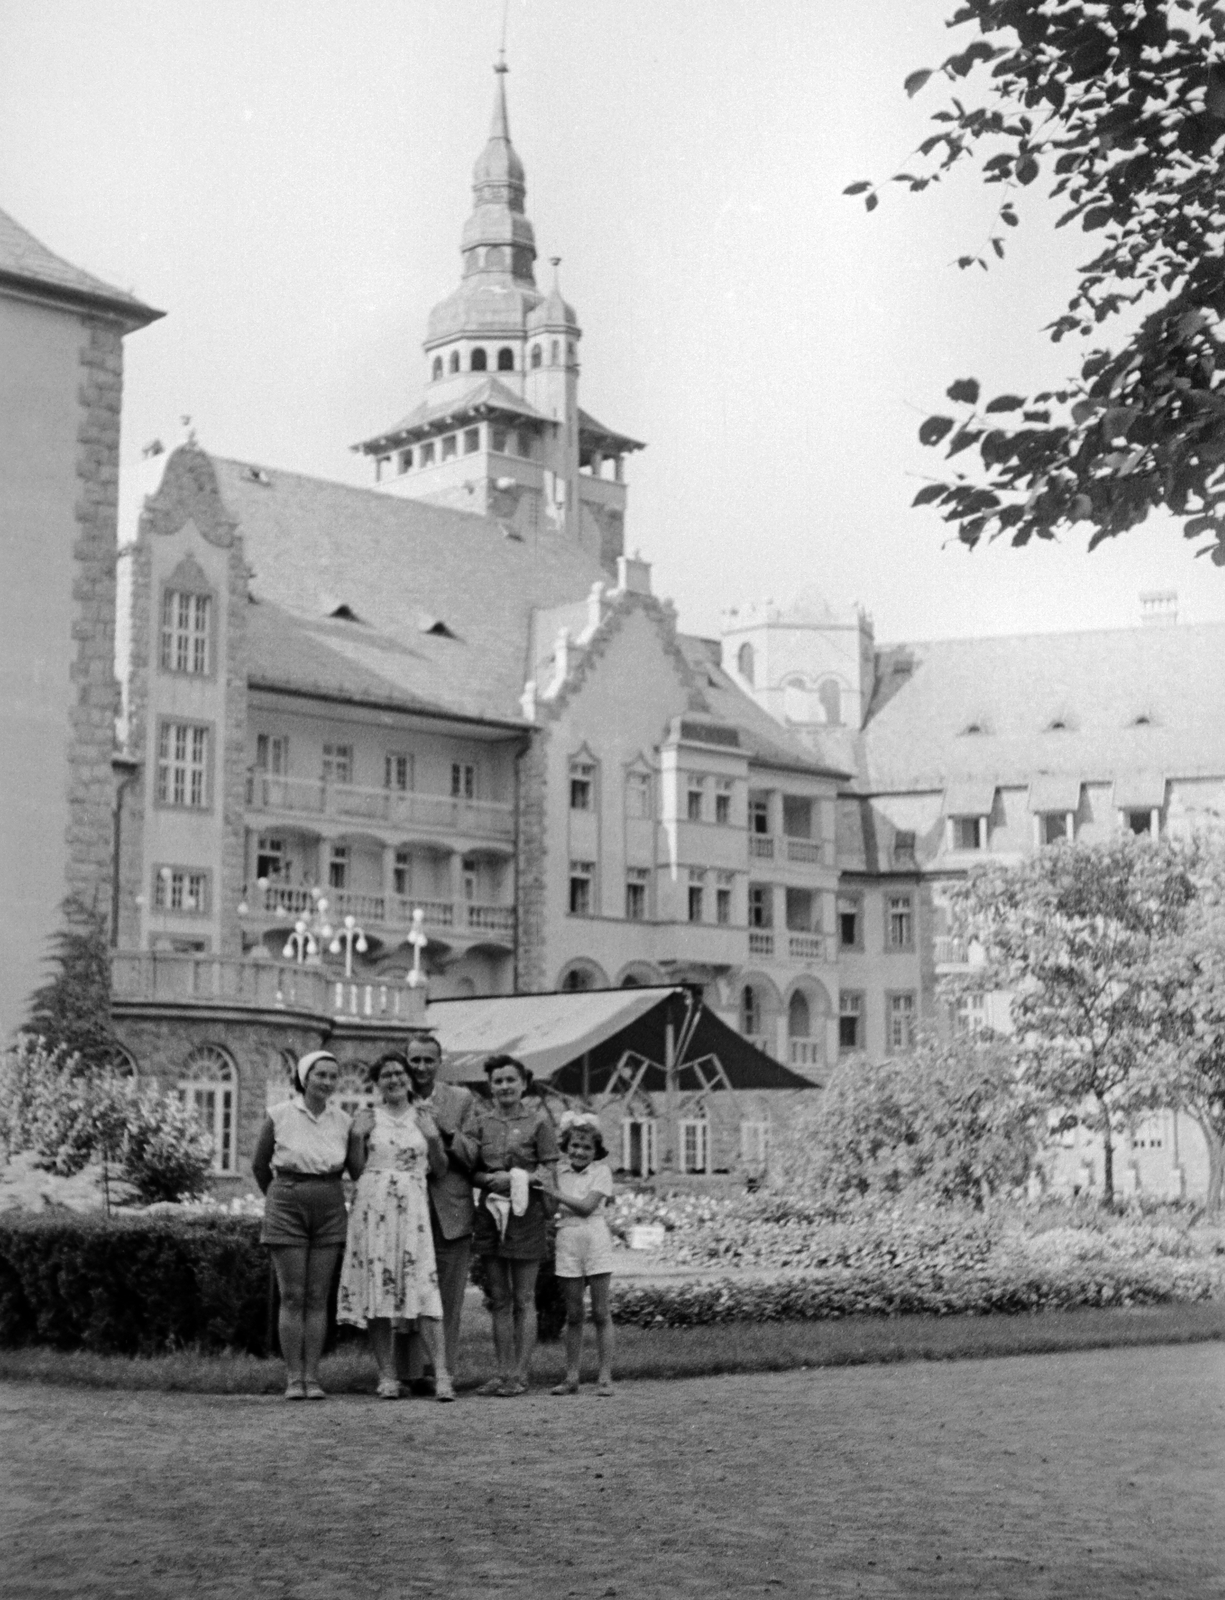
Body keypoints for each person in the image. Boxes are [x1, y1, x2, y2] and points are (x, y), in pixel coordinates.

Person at [337, 1051, 454, 1401]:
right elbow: (355, 1171)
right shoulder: (366, 1117)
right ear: (377, 1081)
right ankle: (387, 1375)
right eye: (385, 1074)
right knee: (379, 1288)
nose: (394, 1079)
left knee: (424, 1287)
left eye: (399, 1073)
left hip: (413, 1206)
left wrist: (433, 1139)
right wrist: (357, 1138)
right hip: (373, 1206)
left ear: (409, 1078)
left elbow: (442, 1169)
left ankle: (443, 1374)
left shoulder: (425, 1116)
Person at [252, 1049, 364, 1400]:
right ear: (304, 1077)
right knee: (293, 1294)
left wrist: (361, 1137)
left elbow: (356, 1170)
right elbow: (259, 1165)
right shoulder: (280, 1114)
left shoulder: (344, 1122)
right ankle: (293, 1377)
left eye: (333, 1076)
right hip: (287, 1199)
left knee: (317, 1295)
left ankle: (312, 1377)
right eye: (320, 1074)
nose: (327, 1082)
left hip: (330, 1202)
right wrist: (280, 1198)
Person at [470, 1053, 558, 1396]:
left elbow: (549, 1170)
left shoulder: (538, 1123)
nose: (505, 1086)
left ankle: (521, 1374)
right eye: (498, 1081)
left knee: (523, 1297)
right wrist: (489, 1179)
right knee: (499, 1298)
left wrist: (518, 1177)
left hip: (526, 1215)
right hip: (491, 1214)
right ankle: (503, 1372)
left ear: (523, 1083)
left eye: (511, 1080)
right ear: (490, 1087)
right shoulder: (481, 1123)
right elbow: (471, 1169)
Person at [398, 1032, 479, 1393]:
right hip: (406, 1208)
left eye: (428, 1060)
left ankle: (441, 1371)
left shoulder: (460, 1099)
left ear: (439, 1062)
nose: (421, 1067)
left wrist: (445, 1129)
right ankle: (409, 1372)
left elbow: (475, 1154)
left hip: (450, 1210)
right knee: (405, 1293)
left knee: (448, 1297)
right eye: (414, 1060)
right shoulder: (395, 1096)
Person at [550, 1111, 616, 1397]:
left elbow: (588, 1206)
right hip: (567, 1238)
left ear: (596, 1151)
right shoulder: (558, 1172)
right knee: (574, 1313)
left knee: (601, 1312)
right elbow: (551, 1207)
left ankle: (604, 1376)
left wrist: (555, 1193)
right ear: (567, 1146)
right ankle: (572, 1376)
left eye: (587, 1147)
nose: (579, 1151)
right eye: (575, 1145)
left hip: (595, 1237)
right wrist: (552, 1192)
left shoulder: (601, 1172)